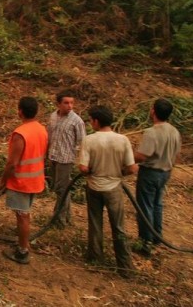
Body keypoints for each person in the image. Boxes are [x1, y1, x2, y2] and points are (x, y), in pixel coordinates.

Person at [78, 105, 138, 277]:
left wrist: (91, 171)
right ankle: (125, 267)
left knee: (95, 224)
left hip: (94, 186)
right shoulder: (122, 140)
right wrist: (119, 173)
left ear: (96, 121)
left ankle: (96, 259)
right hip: (114, 188)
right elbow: (132, 168)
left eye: (91, 120)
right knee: (118, 227)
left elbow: (83, 167)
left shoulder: (89, 140)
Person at [0, 96, 48, 264]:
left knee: (22, 216)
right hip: (36, 180)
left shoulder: (20, 134)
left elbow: (12, 164)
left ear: (20, 111)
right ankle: (24, 242)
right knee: (24, 214)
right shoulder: (42, 129)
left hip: (22, 182)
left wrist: (3, 181)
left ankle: (22, 251)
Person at [134, 98, 181, 255]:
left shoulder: (152, 132)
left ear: (153, 111)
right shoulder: (174, 131)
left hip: (150, 173)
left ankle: (146, 241)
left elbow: (142, 156)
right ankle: (156, 237)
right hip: (165, 172)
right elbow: (176, 154)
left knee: (145, 205)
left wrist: (127, 159)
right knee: (157, 205)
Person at [46, 90, 86, 227]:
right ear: (58, 104)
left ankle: (60, 218)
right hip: (53, 156)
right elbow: (49, 136)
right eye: (66, 103)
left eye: (72, 103)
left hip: (66, 159)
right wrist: (47, 154)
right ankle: (67, 217)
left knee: (61, 189)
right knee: (60, 188)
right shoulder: (53, 116)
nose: (70, 106)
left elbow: (83, 142)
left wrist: (81, 160)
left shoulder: (77, 121)